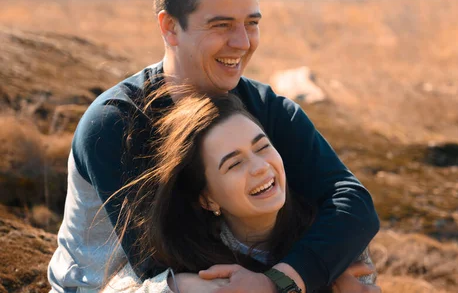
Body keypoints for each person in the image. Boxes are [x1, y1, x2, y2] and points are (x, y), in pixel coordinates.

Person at [48, 0, 380, 293]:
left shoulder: (263, 107)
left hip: (231, 271)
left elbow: (351, 201)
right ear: (170, 27)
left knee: (351, 254)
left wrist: (291, 276)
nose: (242, 42)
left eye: (251, 23)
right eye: (221, 25)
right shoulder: (115, 124)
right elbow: (162, 263)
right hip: (125, 285)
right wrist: (316, 278)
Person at [101, 89, 376, 293]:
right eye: (234, 163)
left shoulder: (332, 234)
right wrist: (179, 286)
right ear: (207, 198)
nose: (259, 167)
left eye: (262, 147)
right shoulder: (187, 255)